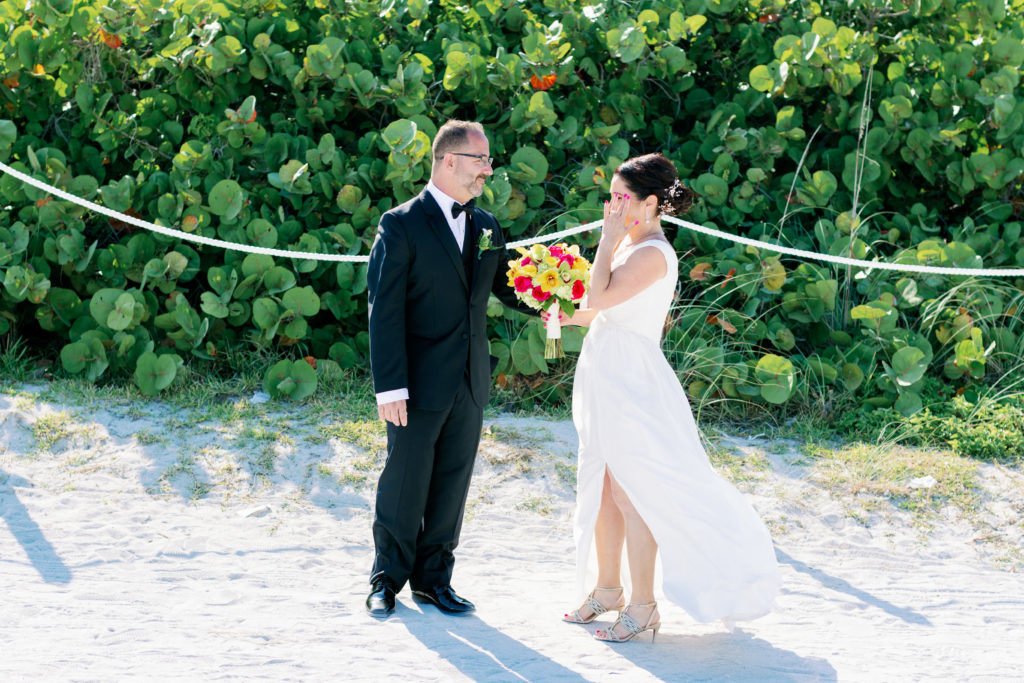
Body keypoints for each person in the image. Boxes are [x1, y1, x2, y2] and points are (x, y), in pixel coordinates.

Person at [554, 153, 781, 642]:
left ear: (652, 203)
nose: (611, 207)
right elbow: (596, 310)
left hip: (633, 380)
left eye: (621, 198)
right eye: (609, 197)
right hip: (604, 369)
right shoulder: (628, 243)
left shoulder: (652, 251)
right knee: (604, 484)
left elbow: (601, 296)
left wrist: (607, 242)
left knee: (635, 490)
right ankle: (608, 587)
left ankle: (643, 604)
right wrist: (558, 310)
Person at [365, 120, 533, 618]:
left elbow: (509, 287)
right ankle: (385, 580)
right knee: (405, 481)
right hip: (415, 383)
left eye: (488, 160)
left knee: (452, 484)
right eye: (481, 160)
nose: (489, 169)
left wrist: (557, 297)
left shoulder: (487, 226)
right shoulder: (400, 223)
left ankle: (435, 581)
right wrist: (389, 386)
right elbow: (384, 309)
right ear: (449, 161)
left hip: (469, 378)